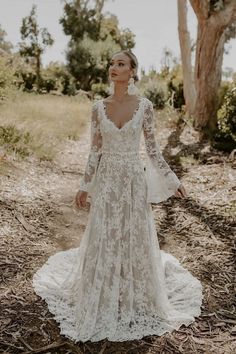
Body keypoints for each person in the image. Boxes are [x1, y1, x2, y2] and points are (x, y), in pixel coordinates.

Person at [33, 50, 203, 343]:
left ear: (132, 71)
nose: (113, 67)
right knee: (106, 233)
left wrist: (172, 180)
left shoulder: (145, 106)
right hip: (108, 180)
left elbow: (152, 151)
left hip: (133, 181)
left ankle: (133, 294)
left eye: (120, 64)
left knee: (133, 233)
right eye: (111, 62)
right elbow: (94, 151)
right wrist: (85, 186)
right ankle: (103, 291)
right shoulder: (98, 108)